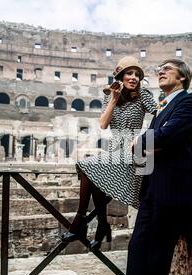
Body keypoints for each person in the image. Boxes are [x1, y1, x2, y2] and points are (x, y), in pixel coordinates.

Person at [124, 59, 192, 275]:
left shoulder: (190, 100)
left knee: (156, 259)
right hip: (151, 191)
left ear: (182, 77)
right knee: (137, 252)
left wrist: (151, 142)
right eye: (159, 69)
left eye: (167, 68)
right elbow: (144, 149)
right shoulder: (161, 107)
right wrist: (154, 143)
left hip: (171, 193)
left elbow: (166, 135)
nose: (160, 71)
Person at [61, 56, 157, 249]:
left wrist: (190, 136)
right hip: (114, 148)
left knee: (87, 167)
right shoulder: (109, 96)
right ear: (120, 76)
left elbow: (162, 117)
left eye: (137, 75)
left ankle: (81, 222)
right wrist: (113, 98)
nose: (134, 78)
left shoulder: (143, 95)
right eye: (129, 73)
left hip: (135, 148)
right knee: (96, 183)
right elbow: (103, 124)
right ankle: (102, 225)